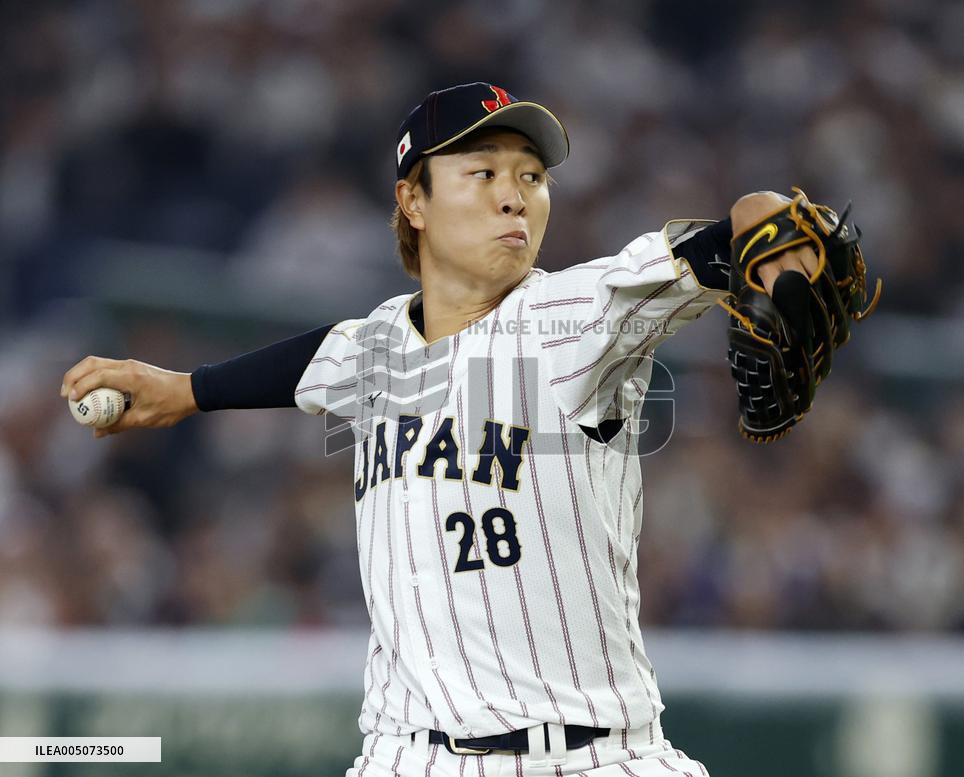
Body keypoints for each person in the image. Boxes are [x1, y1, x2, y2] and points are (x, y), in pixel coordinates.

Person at [61, 83, 821, 776]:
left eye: (531, 176)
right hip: (404, 757)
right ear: (413, 201)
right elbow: (311, 360)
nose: (515, 197)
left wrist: (782, 254)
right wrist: (185, 389)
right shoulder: (377, 341)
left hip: (589, 758)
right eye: (482, 173)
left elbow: (741, 228)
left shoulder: (580, 315)